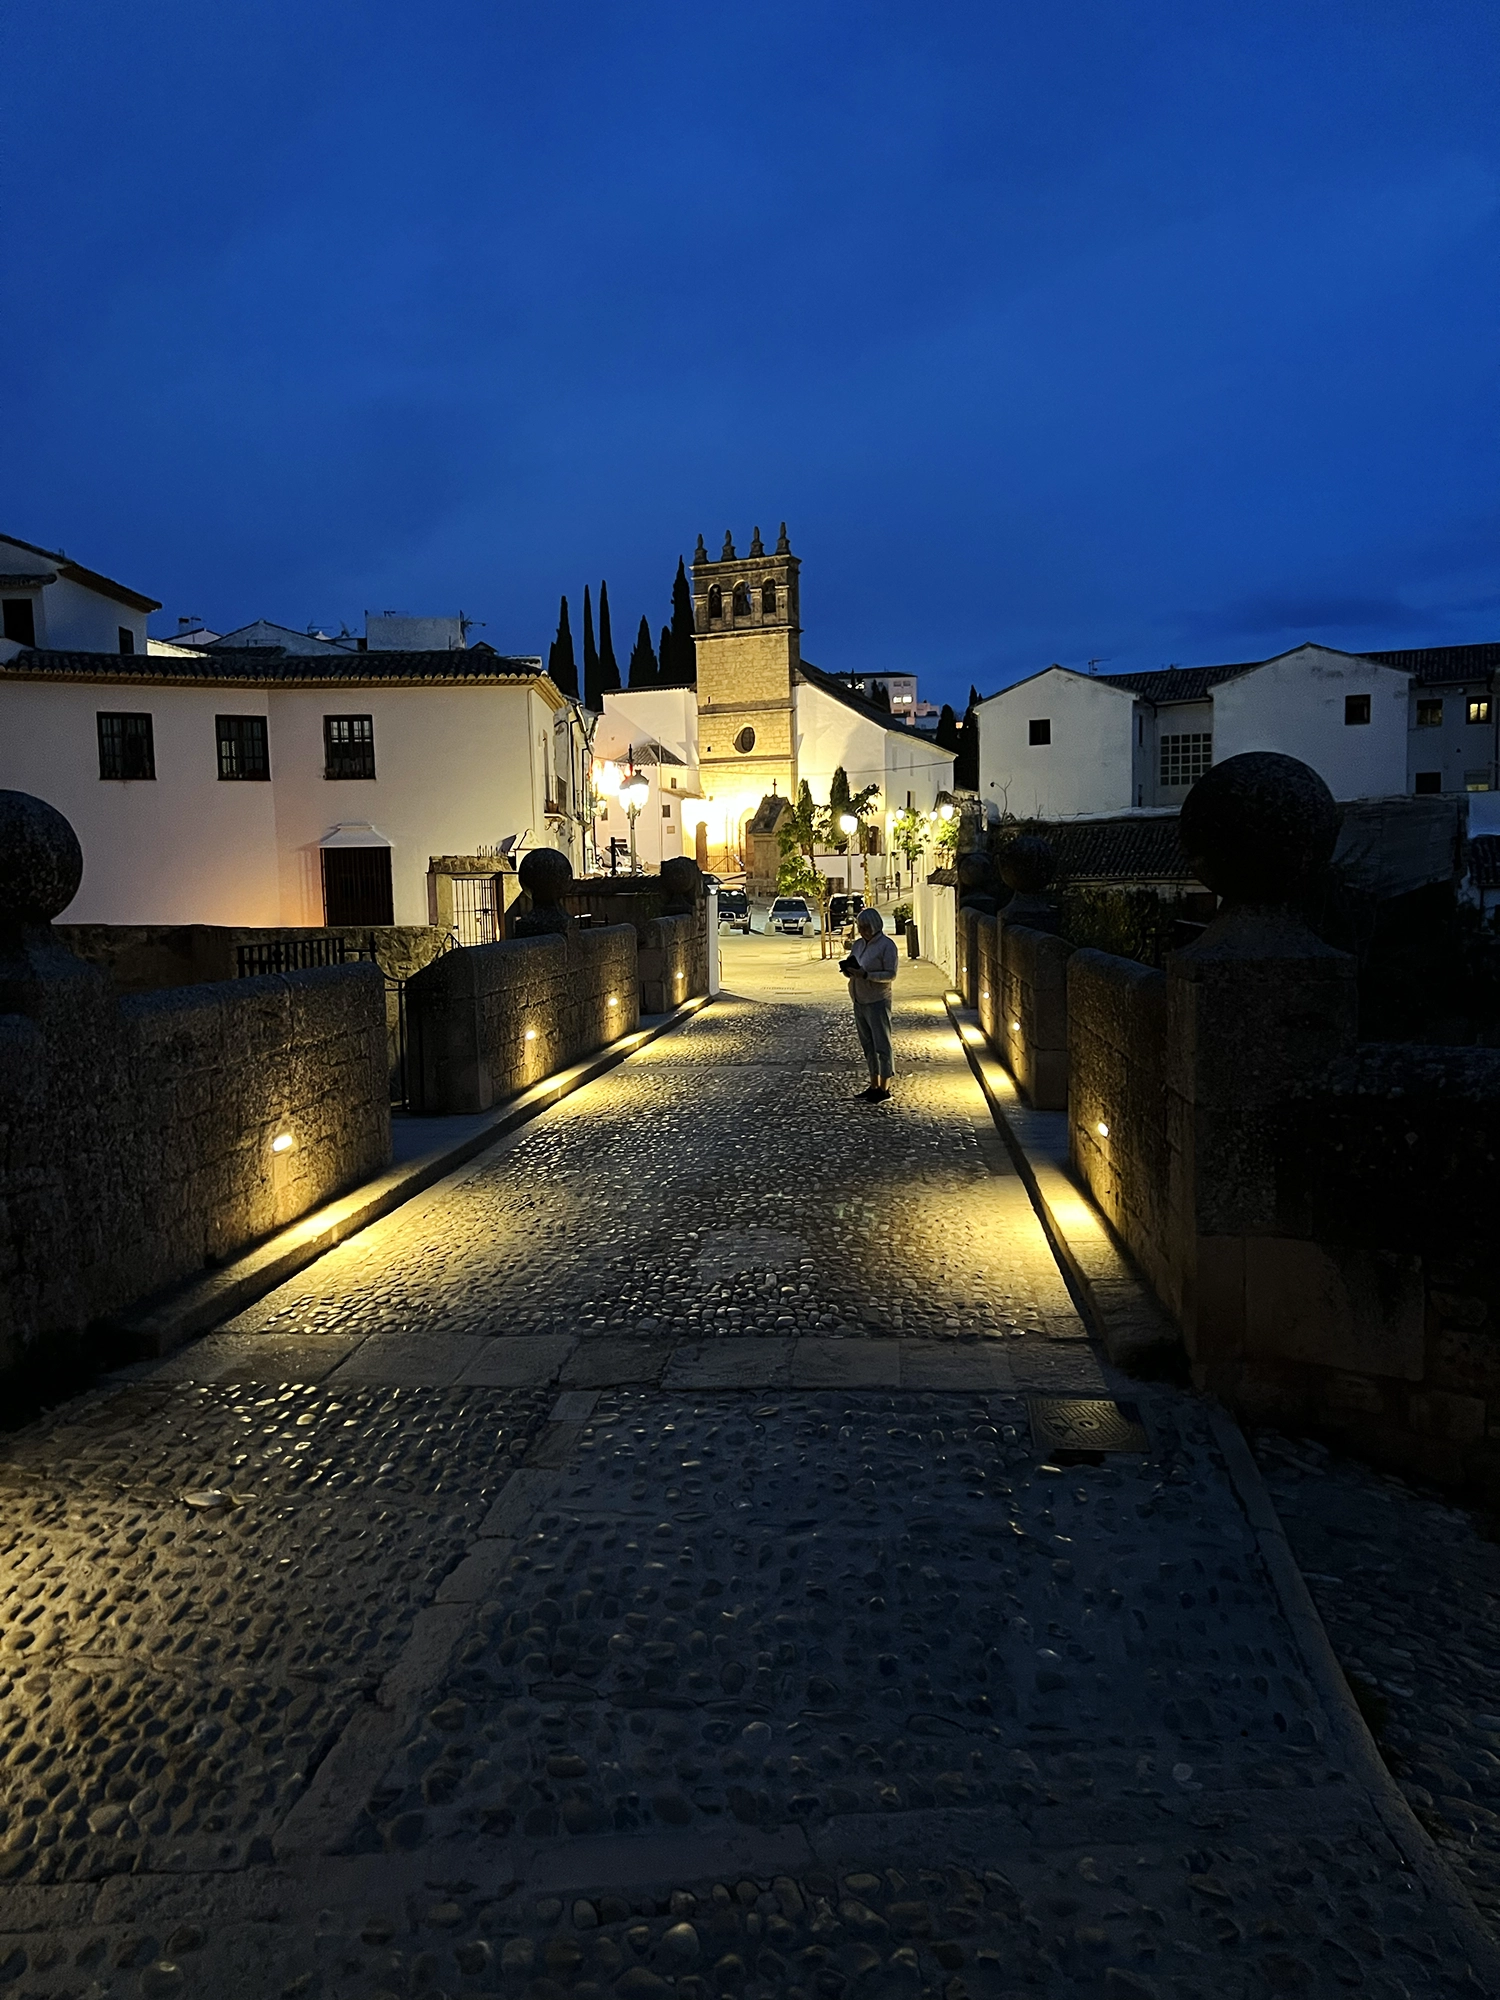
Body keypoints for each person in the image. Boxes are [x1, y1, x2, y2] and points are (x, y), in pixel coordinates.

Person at [840, 907, 898, 1101]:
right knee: (868, 1045)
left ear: (875, 925)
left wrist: (867, 975)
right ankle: (873, 1084)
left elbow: (891, 974)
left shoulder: (887, 946)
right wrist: (849, 970)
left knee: (882, 1044)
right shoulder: (858, 945)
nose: (863, 930)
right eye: (860, 926)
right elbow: (855, 964)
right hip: (859, 999)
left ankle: (884, 1087)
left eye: (866, 926)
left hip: (877, 1000)